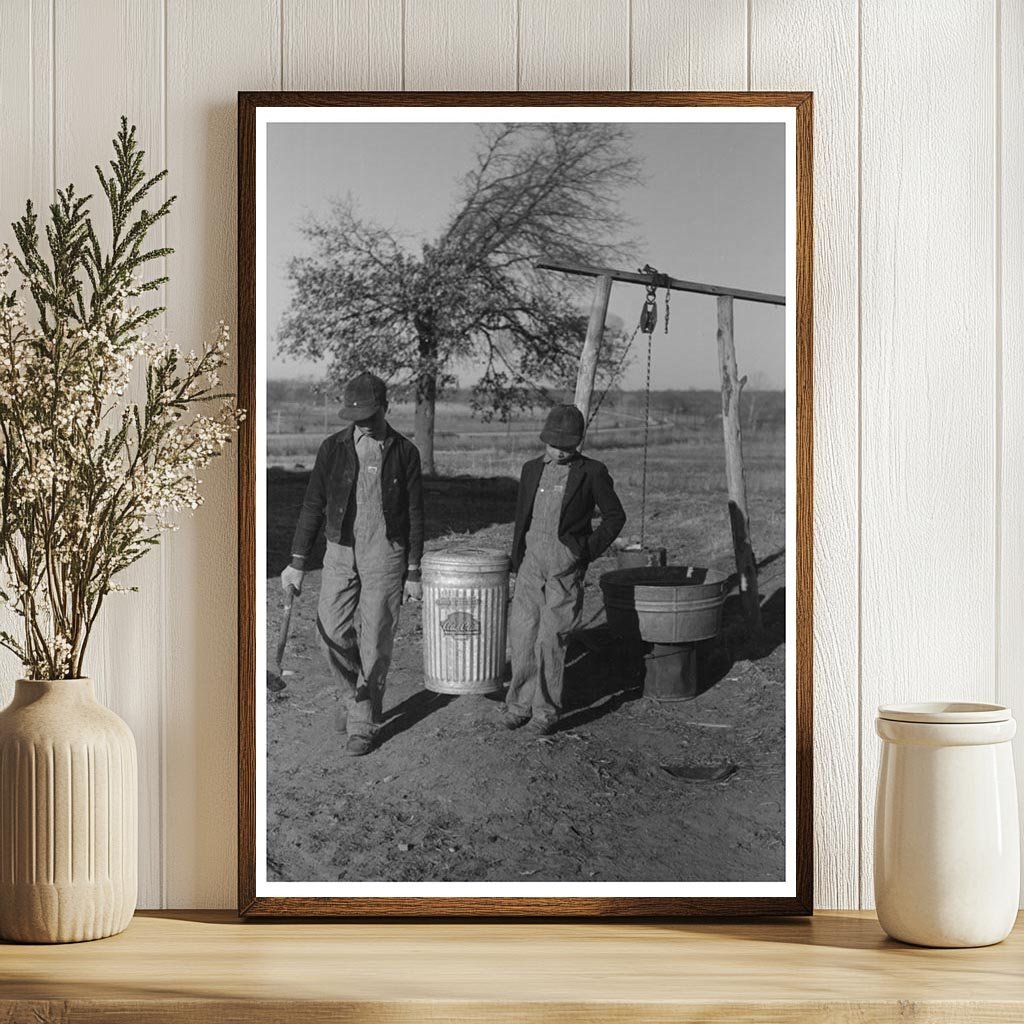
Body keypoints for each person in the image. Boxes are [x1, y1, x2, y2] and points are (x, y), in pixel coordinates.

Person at [281, 372, 424, 756]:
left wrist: (414, 570)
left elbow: (415, 513)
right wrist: (297, 562)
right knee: (328, 632)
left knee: (376, 639)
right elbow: (313, 504)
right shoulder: (333, 448)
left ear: (386, 408)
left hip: (386, 552)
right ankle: (353, 697)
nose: (363, 423)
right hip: (340, 550)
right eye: (356, 417)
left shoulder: (405, 452)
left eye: (370, 416)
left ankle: (363, 721)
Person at [503, 404, 626, 735]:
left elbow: (615, 517)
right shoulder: (531, 469)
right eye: (553, 444)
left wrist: (584, 552)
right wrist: (517, 558)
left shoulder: (592, 472)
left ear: (578, 442)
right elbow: (522, 518)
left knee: (551, 638)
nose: (559, 451)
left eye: (567, 446)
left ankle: (545, 712)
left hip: (564, 567)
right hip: (530, 565)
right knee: (522, 633)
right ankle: (519, 705)